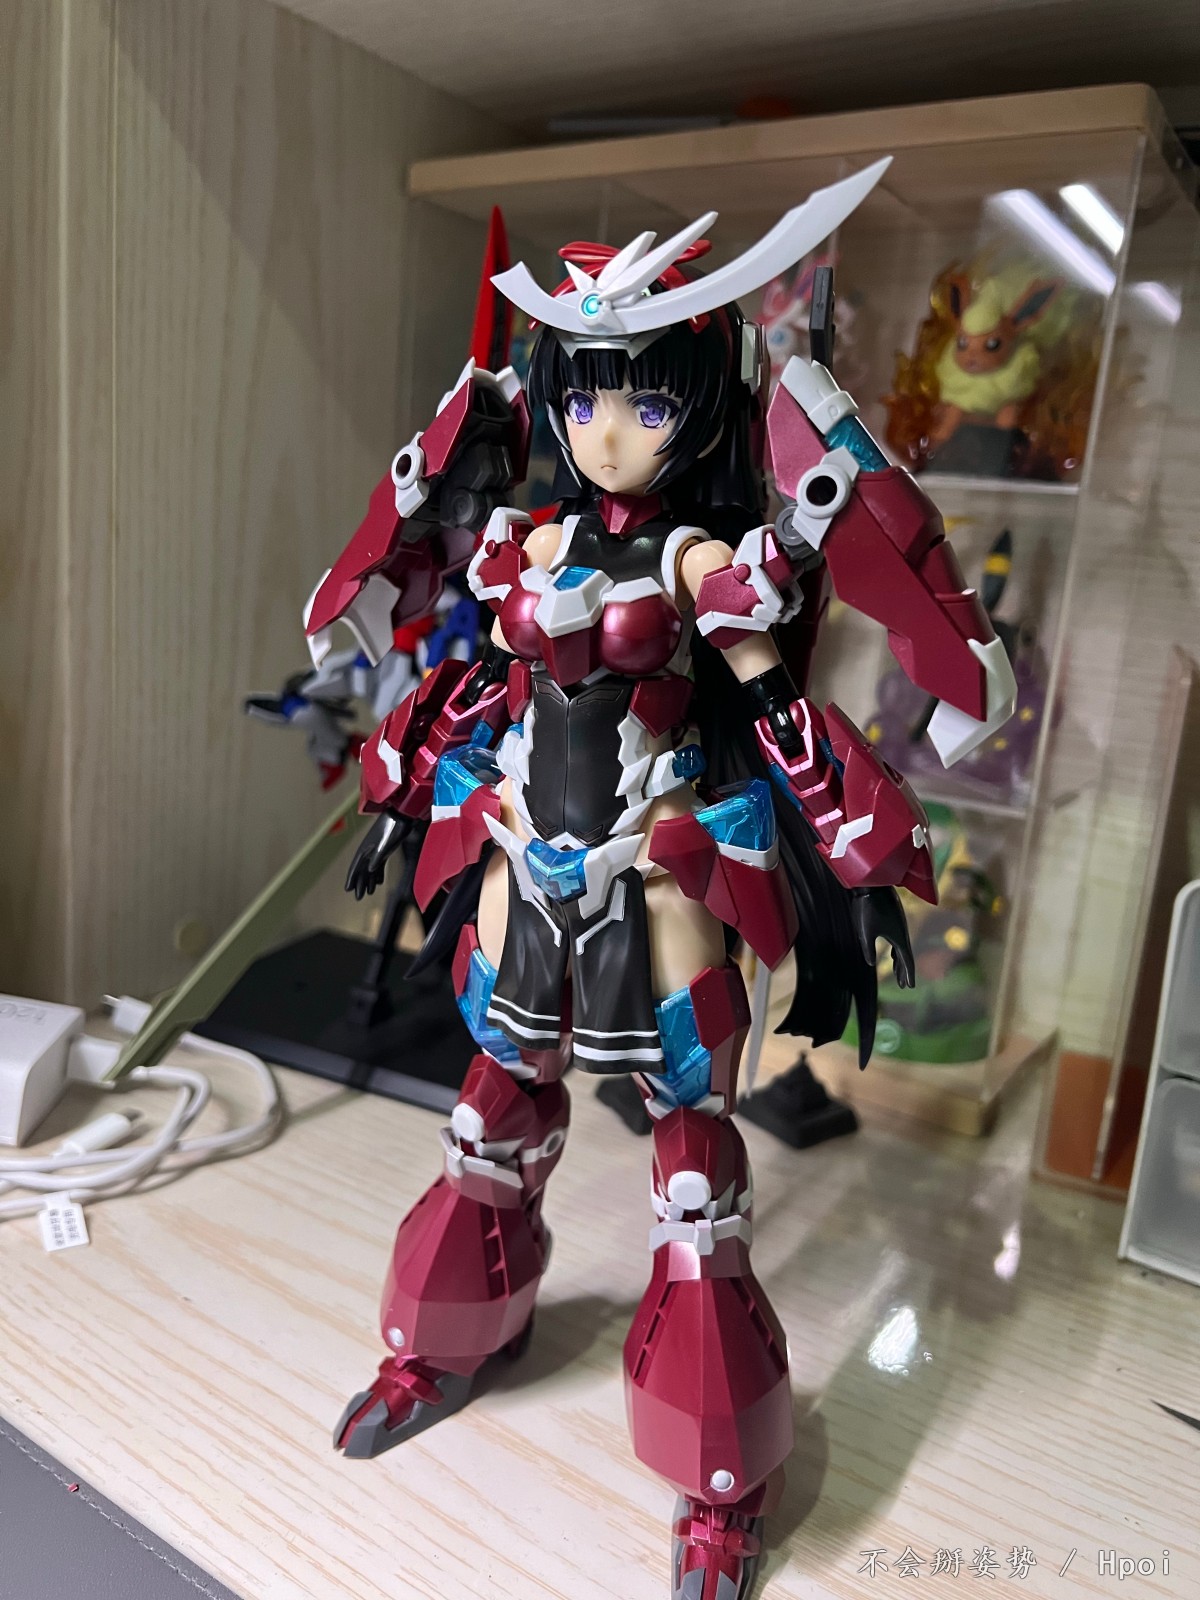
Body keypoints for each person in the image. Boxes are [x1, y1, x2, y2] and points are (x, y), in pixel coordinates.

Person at [306, 161, 1016, 1600]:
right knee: (489, 1118)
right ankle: (444, 1343)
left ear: (698, 402)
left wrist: (850, 817)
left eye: (640, 397)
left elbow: (773, 700)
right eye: (584, 397)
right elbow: (486, 673)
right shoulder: (527, 537)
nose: (606, 429)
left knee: (695, 1178)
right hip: (526, 861)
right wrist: (406, 748)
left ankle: (716, 1481)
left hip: (659, 880)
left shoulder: (704, 558)